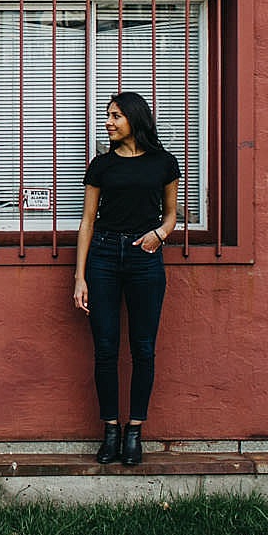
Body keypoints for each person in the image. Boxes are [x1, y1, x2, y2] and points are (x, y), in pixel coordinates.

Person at [72, 91, 181, 468]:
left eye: (116, 116)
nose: (109, 123)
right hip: (102, 255)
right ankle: (111, 431)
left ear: (135, 119)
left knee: (143, 348)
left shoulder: (164, 164)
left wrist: (160, 235)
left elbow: (171, 215)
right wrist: (79, 276)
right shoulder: (101, 166)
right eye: (108, 116)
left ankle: (134, 431)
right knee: (104, 349)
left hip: (144, 257)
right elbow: (86, 221)